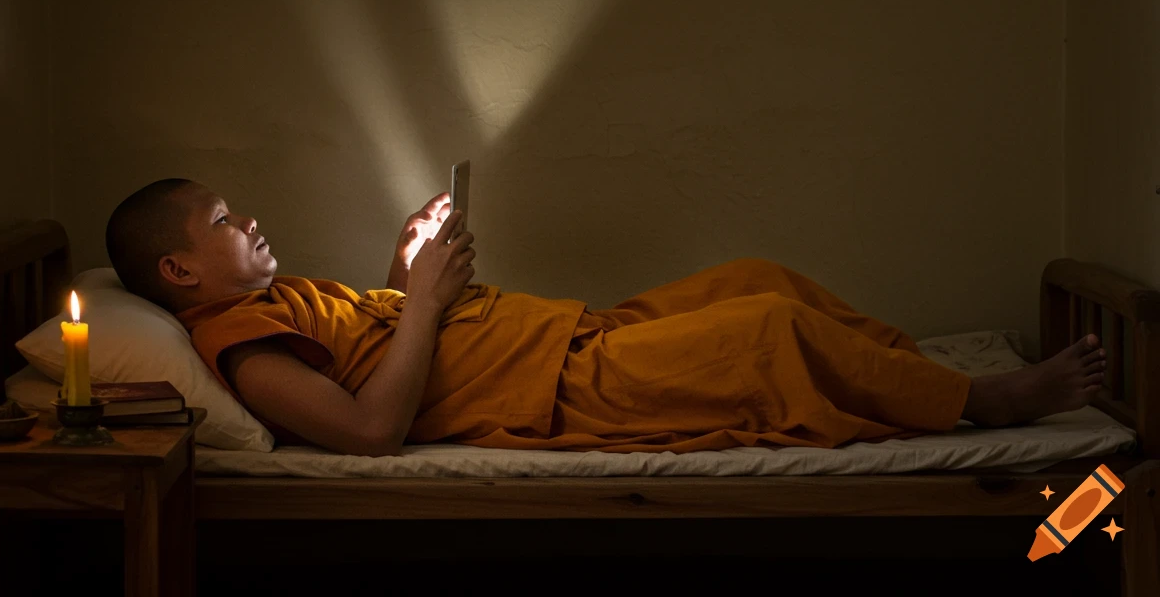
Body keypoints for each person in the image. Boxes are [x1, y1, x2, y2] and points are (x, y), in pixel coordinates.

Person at [105, 178, 1108, 456]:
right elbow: (371, 428)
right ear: (180, 265)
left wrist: (402, 264)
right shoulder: (233, 343)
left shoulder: (275, 300)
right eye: (225, 218)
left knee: (760, 275)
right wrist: (423, 302)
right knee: (766, 332)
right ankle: (979, 399)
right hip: (558, 389)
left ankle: (922, 377)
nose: (250, 221)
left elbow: (370, 342)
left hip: (567, 330)